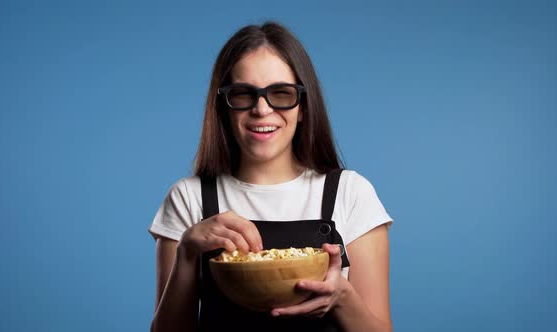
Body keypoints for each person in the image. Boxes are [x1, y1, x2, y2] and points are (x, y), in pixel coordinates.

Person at [148, 22, 394, 332]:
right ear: (224, 107)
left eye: (281, 93)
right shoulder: (189, 198)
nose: (262, 110)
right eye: (243, 95)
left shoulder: (350, 193)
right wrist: (186, 253)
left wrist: (342, 298)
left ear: (303, 107)